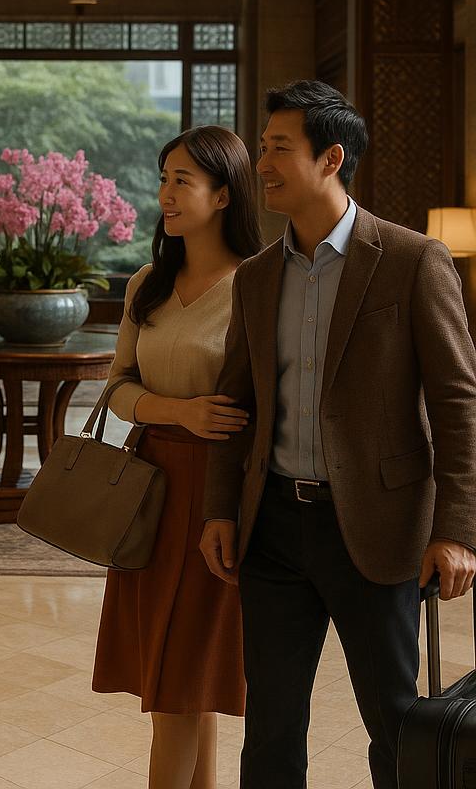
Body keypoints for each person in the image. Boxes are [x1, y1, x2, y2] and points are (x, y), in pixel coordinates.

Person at [199, 80, 476, 789]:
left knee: (393, 722)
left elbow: (457, 402)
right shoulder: (257, 277)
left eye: (279, 149)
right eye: (262, 148)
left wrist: (457, 529)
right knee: (271, 729)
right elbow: (235, 403)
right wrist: (220, 509)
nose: (262, 163)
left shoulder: (414, 260)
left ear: (331, 159)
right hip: (272, 534)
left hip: (380, 534)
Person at [93, 125, 262, 789]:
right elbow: (115, 388)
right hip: (149, 490)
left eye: (182, 181)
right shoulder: (148, 282)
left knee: (185, 682)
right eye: (163, 178)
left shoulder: (258, 284)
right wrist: (179, 411)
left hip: (221, 494)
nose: (165, 193)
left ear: (224, 194)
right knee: (177, 682)